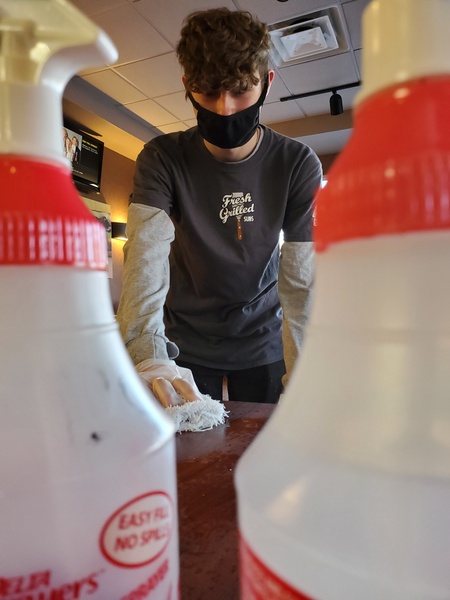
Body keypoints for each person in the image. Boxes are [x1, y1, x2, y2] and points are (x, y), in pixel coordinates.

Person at [116, 8, 322, 407]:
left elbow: (300, 283)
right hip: (183, 344)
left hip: (263, 339)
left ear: (267, 84)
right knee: (190, 457)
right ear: (187, 86)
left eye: (240, 90)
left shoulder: (297, 163)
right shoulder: (162, 158)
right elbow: (145, 255)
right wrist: (147, 355)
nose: (225, 108)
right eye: (209, 91)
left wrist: (306, 378)